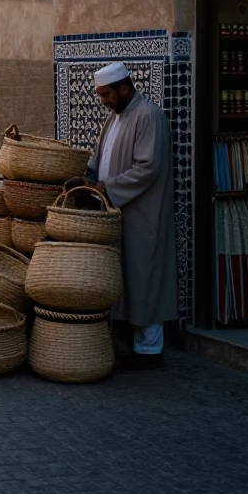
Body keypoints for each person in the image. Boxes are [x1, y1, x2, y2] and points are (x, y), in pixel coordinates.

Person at [88, 62, 176, 370]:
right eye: (100, 95)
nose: (104, 101)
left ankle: (150, 351)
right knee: (124, 277)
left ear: (125, 87)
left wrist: (107, 186)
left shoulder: (148, 116)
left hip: (142, 213)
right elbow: (100, 159)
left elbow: (148, 167)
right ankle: (129, 344)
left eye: (107, 94)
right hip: (117, 210)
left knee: (144, 275)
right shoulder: (114, 118)